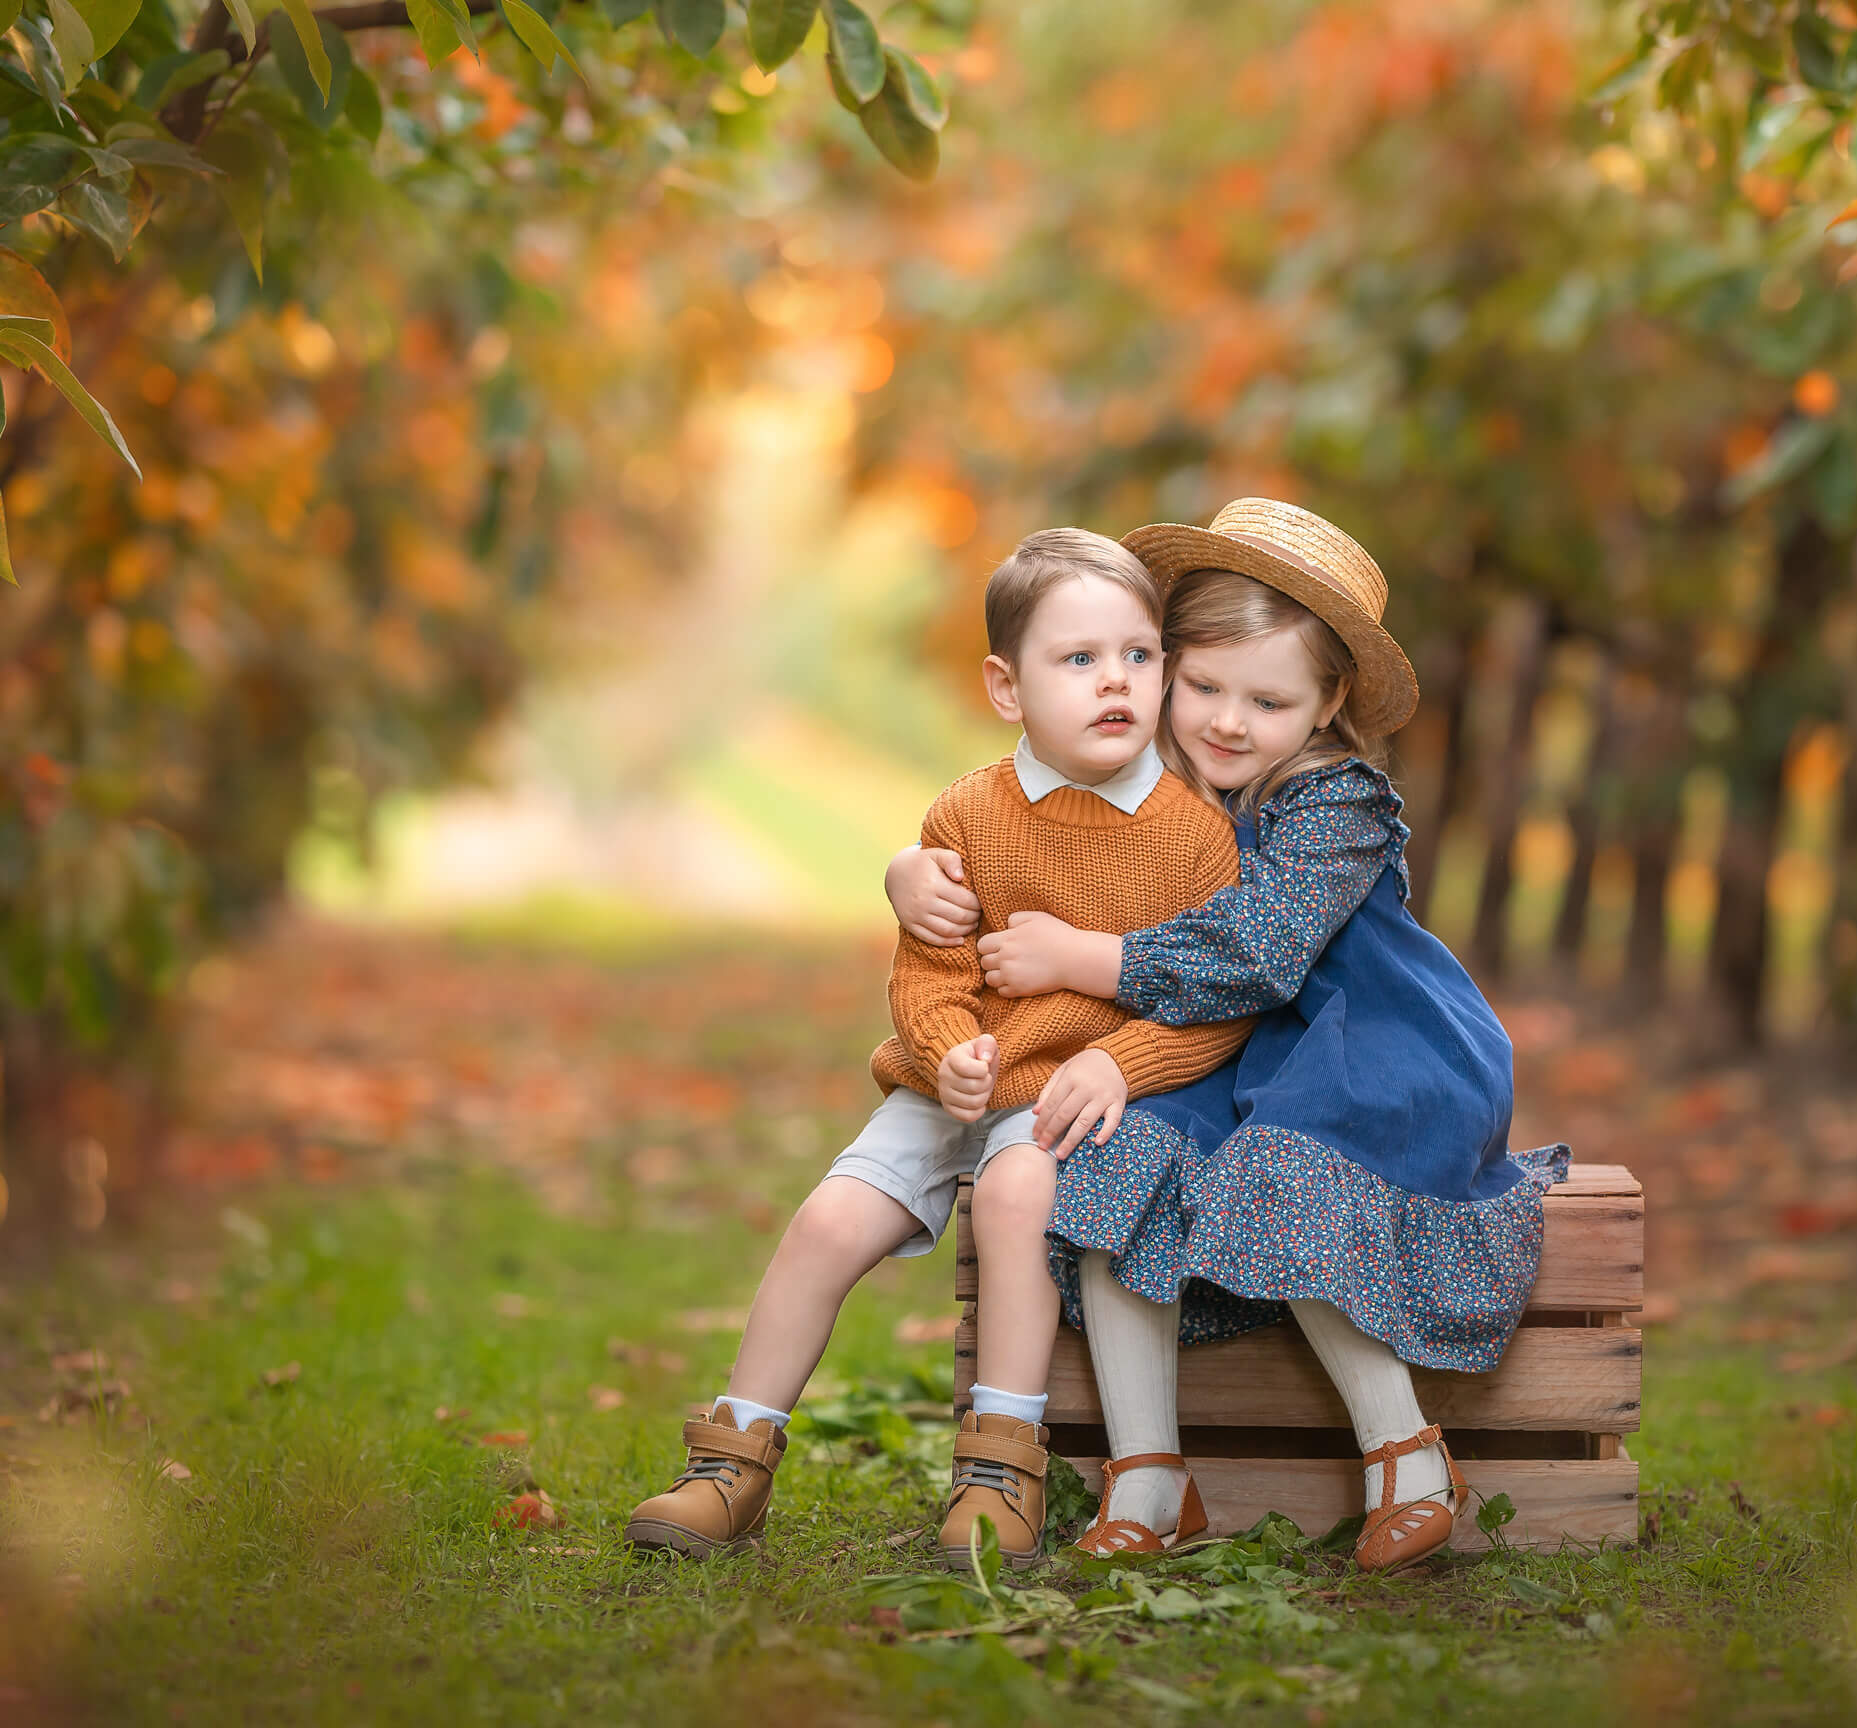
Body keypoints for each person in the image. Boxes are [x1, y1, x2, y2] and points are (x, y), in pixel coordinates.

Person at [887, 498, 1568, 1573]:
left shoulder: (1333, 801)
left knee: (1280, 1176)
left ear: (1330, 701)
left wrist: (1085, 965)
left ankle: (1408, 1456)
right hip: (1231, 1058)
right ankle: (1149, 1476)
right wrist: (912, 871)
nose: (1229, 722)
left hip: (1368, 1047)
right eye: (1201, 686)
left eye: (1270, 699)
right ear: (1162, 672)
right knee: (1106, 1168)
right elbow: (1010, 809)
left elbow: (1262, 952)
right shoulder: (1149, 791)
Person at [627, 527, 1252, 1569]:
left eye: (1140, 656)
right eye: (1080, 660)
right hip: (946, 1085)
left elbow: (1217, 1001)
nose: (1117, 683)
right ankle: (732, 1460)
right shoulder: (967, 814)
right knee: (828, 1220)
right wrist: (949, 1045)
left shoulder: (1194, 833)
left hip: (1060, 1095)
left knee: (1014, 1204)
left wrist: (1121, 1066)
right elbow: (928, 970)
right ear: (1007, 688)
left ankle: (999, 1467)